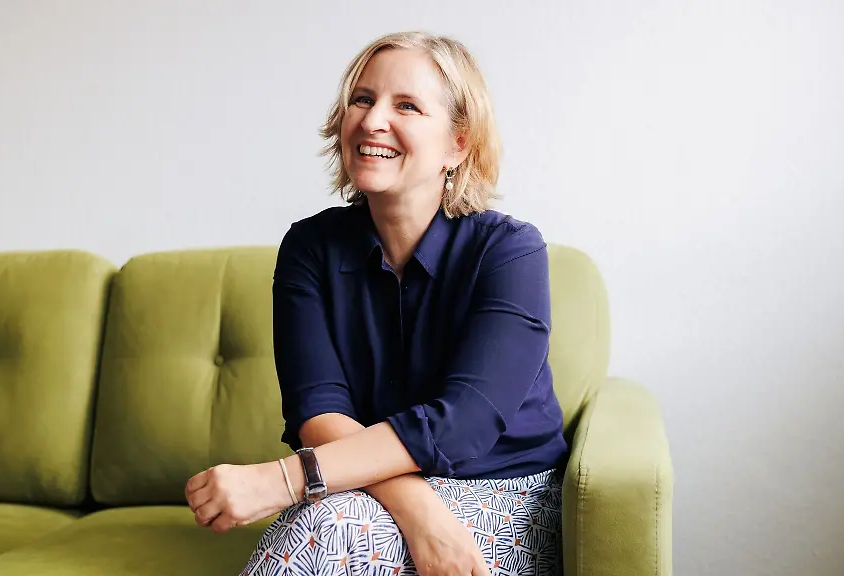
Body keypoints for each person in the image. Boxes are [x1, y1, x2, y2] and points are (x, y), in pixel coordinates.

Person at [184, 30, 568, 576]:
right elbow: (318, 411)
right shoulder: (310, 247)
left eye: (406, 105)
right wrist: (420, 513)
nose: (372, 121)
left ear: (458, 144)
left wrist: (282, 480)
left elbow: (463, 423)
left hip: (504, 489)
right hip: (363, 483)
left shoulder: (511, 251)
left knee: (325, 530)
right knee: (327, 526)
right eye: (362, 99)